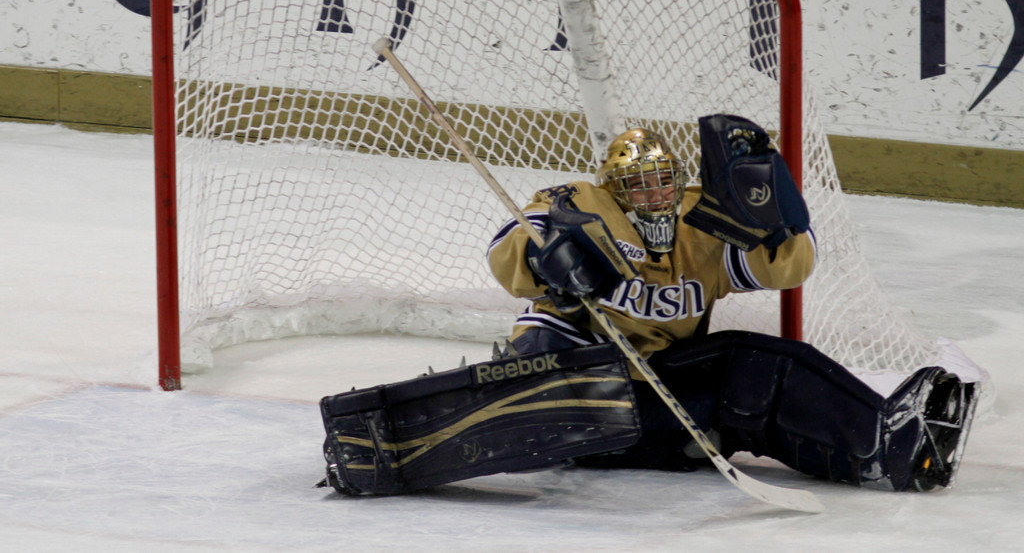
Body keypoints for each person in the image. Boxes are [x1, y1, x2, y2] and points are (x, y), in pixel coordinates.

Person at [318, 116, 977, 496]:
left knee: (757, 368)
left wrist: (774, 217)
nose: (656, 193)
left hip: (655, 395)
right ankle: (432, 426)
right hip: (573, 386)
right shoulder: (581, 202)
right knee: (552, 337)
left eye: (664, 180)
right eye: (639, 184)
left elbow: (787, 267)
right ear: (615, 186)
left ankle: (884, 443)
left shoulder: (698, 224)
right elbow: (507, 249)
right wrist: (542, 253)